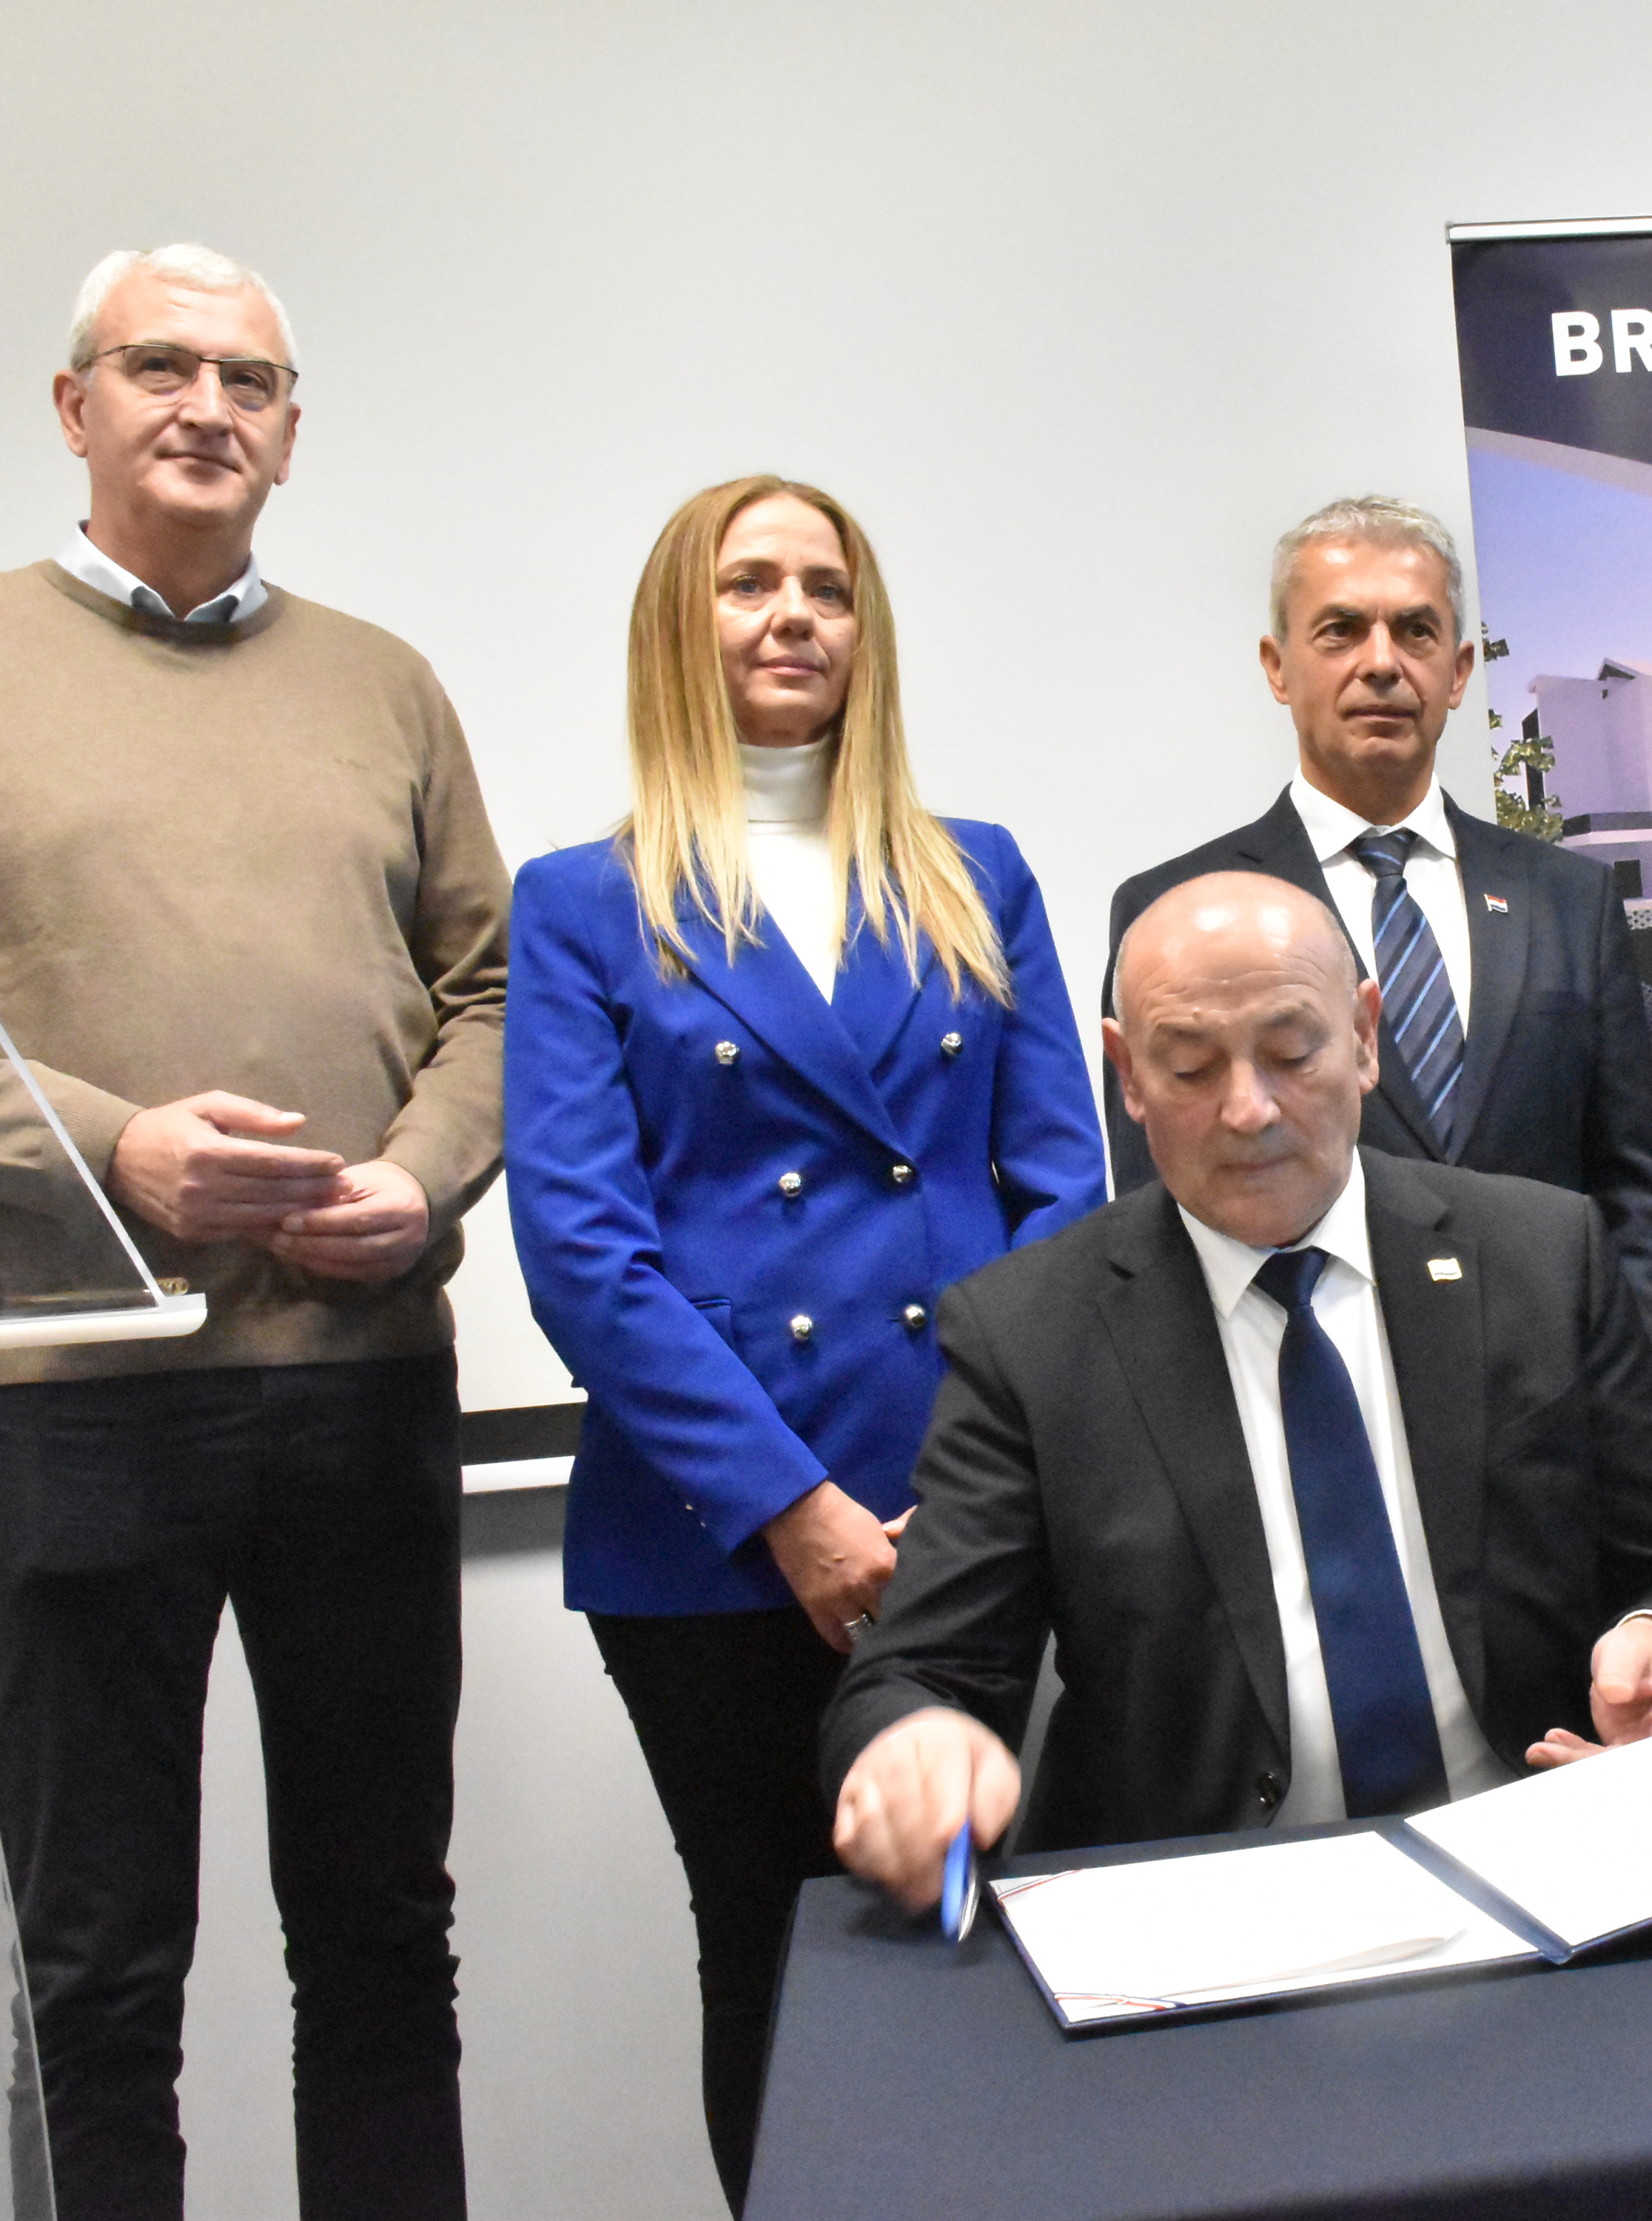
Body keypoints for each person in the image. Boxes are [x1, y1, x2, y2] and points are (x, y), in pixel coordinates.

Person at [0, 244, 500, 2219]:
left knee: (383, 1942)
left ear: (291, 433)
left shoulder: (384, 683)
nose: (206, 406)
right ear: (73, 404)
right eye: (161, 365)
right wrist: (120, 1157)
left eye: (250, 380)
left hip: (360, 1386)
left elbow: (496, 997)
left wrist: (421, 1177)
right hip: (73, 1398)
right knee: (94, 1979)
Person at [505, 477, 1101, 2206]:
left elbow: (1062, 1188)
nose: (792, 616)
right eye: (748, 583)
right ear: (677, 630)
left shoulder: (975, 873)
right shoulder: (583, 901)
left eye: (826, 588)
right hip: (712, 1533)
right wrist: (794, 1509)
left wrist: (978, 1485)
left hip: (967, 1503)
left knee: (990, 1935)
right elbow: (583, 1253)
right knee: (774, 1949)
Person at [822, 874, 1652, 1901]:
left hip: (1529, 1855)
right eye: (1190, 1067)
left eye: (1291, 1052)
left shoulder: (1540, 1255)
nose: (1249, 1110)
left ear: (1363, 1036)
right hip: (1205, 1899)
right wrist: (913, 1747)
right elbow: (922, 1670)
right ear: (1127, 1075)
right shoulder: (1030, 1332)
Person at [1101, 497, 1652, 1462]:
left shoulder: (1567, 898)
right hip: (1314, 1424)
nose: (1382, 662)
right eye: (1341, 630)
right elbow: (1161, 1219)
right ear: (1277, 666)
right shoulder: (1176, 913)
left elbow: (1635, 1194)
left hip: (1562, 1427)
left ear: (1459, 671)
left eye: (1416, 631)